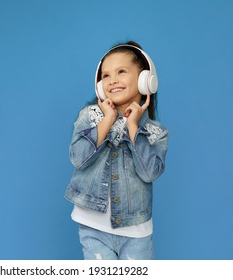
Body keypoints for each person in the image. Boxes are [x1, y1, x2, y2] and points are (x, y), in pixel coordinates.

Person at [65, 41, 168, 260]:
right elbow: (78, 158)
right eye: (106, 76)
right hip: (92, 226)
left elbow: (150, 173)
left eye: (121, 72)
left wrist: (133, 127)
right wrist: (108, 120)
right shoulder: (90, 117)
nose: (113, 80)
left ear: (145, 81)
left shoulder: (155, 132)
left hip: (136, 231)